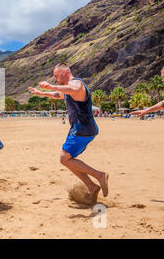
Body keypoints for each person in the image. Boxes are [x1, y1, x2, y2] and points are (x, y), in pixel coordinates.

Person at [29, 63, 108, 205]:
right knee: (68, 160)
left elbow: (73, 88)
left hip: (82, 129)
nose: (54, 78)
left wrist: (51, 86)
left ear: (64, 72)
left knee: (64, 159)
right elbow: (59, 94)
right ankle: (91, 186)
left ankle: (99, 176)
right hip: (83, 129)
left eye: (56, 75)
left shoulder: (76, 84)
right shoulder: (69, 90)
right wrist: (41, 93)